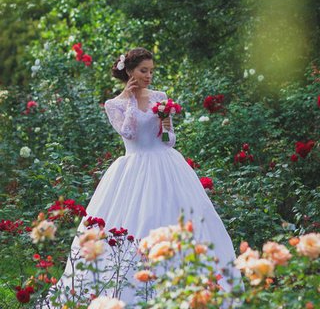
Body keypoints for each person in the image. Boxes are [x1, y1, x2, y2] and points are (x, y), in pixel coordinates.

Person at [43, 47, 244, 308]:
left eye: (151, 71)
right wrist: (129, 99)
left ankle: (195, 289)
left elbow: (169, 141)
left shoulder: (160, 97)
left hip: (168, 166)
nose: (148, 76)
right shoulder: (115, 104)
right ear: (129, 71)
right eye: (143, 71)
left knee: (183, 221)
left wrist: (167, 124)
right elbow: (127, 133)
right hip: (133, 170)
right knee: (135, 224)